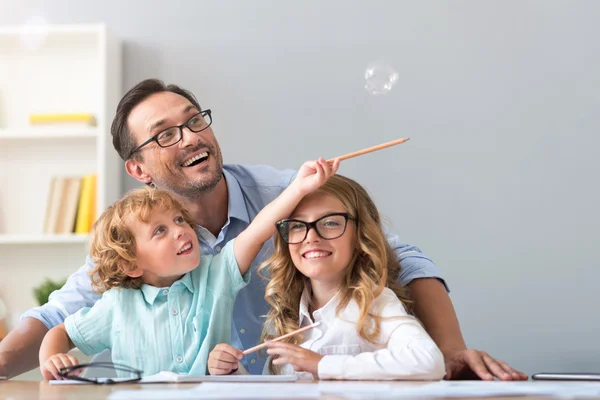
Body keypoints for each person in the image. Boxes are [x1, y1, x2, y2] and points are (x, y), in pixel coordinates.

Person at [0, 79, 527, 381]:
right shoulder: (138, 237)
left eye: (195, 120)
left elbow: (403, 258)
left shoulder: (285, 196)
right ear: (138, 170)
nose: (190, 137)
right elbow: (57, 317)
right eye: (165, 135)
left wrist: (453, 348)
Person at [39, 158, 339, 380]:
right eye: (160, 231)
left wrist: (299, 187)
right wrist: (51, 359)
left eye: (180, 221)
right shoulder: (116, 306)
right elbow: (61, 332)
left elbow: (258, 229)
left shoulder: (217, 274)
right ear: (130, 264)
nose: (180, 231)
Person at [208, 174, 446, 380]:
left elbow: (429, 360)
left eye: (330, 223)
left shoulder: (376, 303)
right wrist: (233, 371)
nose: (311, 237)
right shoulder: (285, 317)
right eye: (298, 226)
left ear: (360, 234)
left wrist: (322, 364)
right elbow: (276, 391)